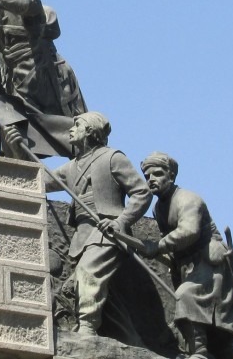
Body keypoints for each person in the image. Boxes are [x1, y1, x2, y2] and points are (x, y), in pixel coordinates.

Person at [42, 113, 151, 336]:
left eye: (77, 125)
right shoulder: (71, 167)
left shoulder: (112, 158)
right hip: (83, 234)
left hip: (108, 232)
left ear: (90, 131)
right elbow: (41, 180)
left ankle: (87, 329)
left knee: (87, 273)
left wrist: (121, 222)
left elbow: (142, 192)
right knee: (83, 288)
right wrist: (15, 146)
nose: (71, 130)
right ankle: (126, 336)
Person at [138, 152, 233, 359]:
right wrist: (145, 249)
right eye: (147, 176)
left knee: (186, 296)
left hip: (211, 263)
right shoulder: (159, 208)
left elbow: (189, 232)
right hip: (187, 265)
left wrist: (157, 246)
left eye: (158, 174)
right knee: (214, 336)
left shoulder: (188, 199)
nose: (151, 179)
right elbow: (170, 244)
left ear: (171, 175)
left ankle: (199, 352)